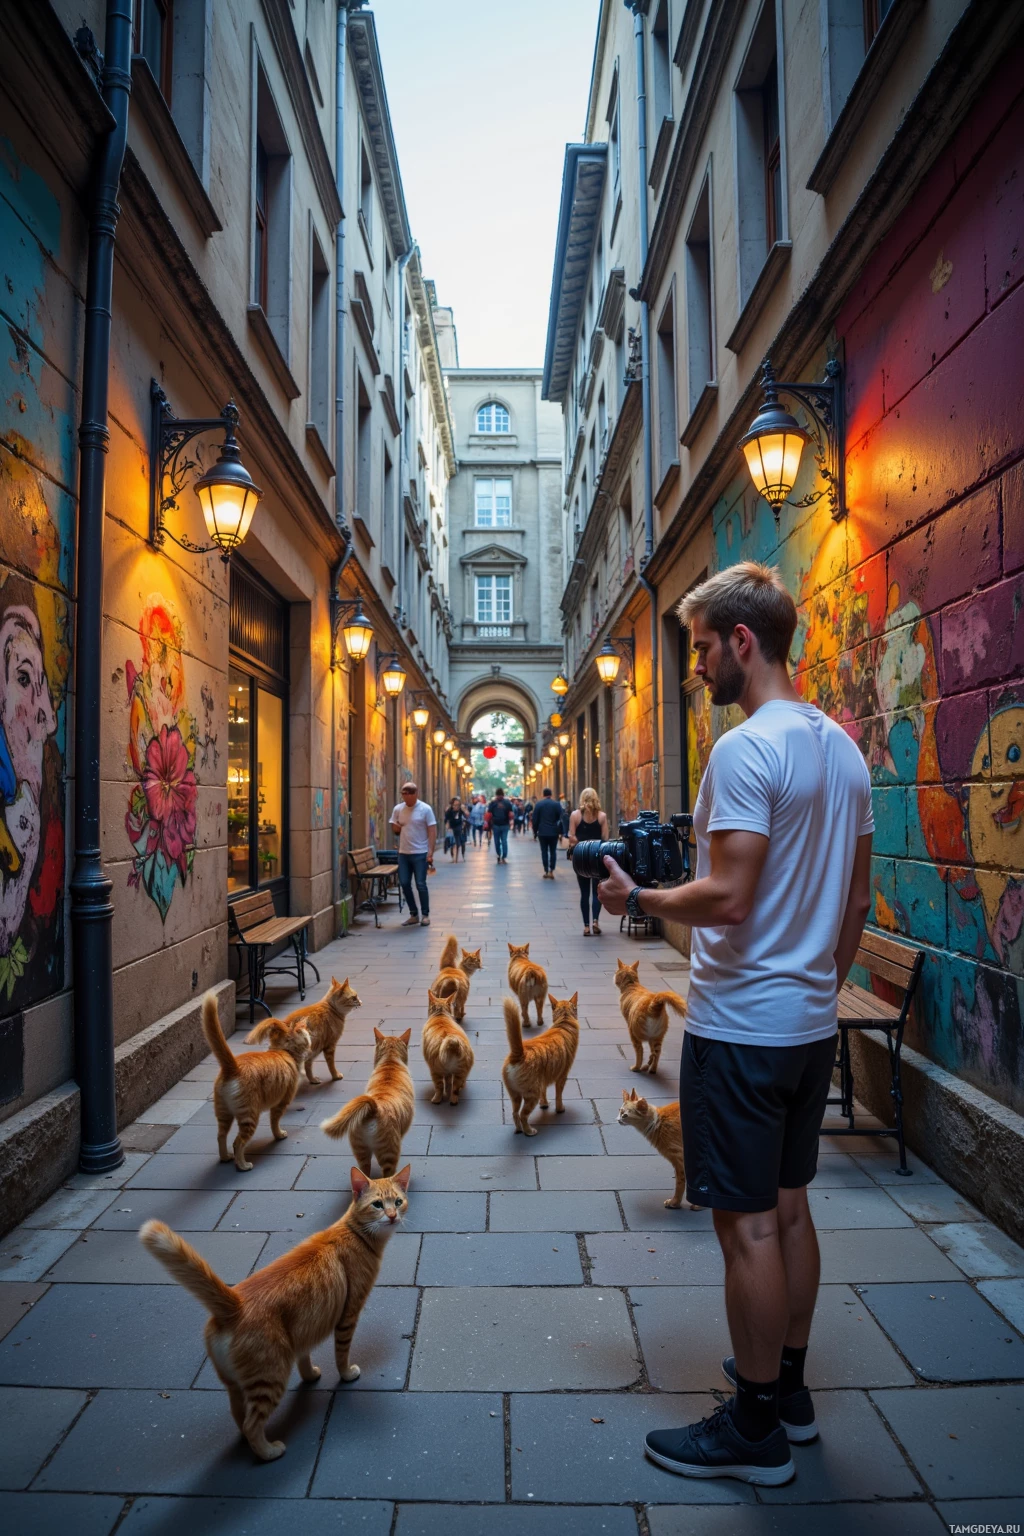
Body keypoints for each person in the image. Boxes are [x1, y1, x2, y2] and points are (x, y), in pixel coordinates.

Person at [597, 561, 873, 1488]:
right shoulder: (843, 750)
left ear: (742, 644)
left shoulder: (748, 750)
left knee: (747, 1228)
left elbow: (726, 893)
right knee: (791, 1210)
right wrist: (818, 987)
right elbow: (857, 900)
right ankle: (787, 1393)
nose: (696, 668)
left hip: (744, 1028)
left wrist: (641, 893)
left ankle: (752, 1431)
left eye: (703, 648)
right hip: (804, 1024)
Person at [389, 781, 437, 928]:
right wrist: (396, 827)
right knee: (404, 883)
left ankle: (425, 915)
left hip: (420, 853)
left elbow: (432, 830)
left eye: (409, 795)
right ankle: (413, 914)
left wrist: (430, 851)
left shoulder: (425, 809)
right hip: (403, 852)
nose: (406, 799)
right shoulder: (398, 809)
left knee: (420, 884)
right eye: (403, 796)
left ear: (415, 794)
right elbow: (395, 829)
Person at [567, 787, 609, 933]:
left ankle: (586, 926)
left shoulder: (575, 815)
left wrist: (579, 842)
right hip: (597, 859)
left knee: (584, 893)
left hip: (581, 858)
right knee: (597, 892)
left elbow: (571, 836)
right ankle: (596, 921)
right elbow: (605, 839)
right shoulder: (602, 816)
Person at [530, 786, 563, 880]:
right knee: (553, 851)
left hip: (542, 832)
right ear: (551, 794)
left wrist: (535, 832)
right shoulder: (556, 804)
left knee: (544, 851)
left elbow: (535, 819)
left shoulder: (539, 804)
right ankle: (552, 870)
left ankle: (546, 870)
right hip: (553, 832)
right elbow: (560, 818)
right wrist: (560, 831)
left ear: (543, 794)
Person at [488, 786, 512, 863]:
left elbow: (489, 814)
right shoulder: (495, 803)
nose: (499, 796)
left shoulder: (496, 803)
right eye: (498, 795)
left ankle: (502, 856)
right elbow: (489, 814)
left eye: (500, 795)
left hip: (500, 825)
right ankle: (501, 856)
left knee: (500, 841)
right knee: (499, 841)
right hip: (499, 825)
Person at [444, 796, 467, 862]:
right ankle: (453, 856)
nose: (456, 806)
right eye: (455, 805)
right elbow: (447, 820)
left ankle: (455, 858)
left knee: (457, 843)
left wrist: (464, 809)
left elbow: (467, 815)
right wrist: (448, 828)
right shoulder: (449, 810)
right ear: (452, 805)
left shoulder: (461, 809)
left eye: (458, 805)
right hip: (451, 828)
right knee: (452, 843)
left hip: (459, 827)